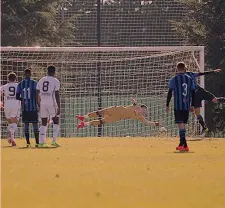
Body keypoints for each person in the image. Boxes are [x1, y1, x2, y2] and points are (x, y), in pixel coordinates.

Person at [76, 98, 165, 129]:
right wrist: (134, 102)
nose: (145, 112)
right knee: (100, 112)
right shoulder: (135, 106)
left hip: (118, 117)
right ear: (141, 108)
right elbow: (134, 103)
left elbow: (147, 122)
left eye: (145, 111)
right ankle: (83, 117)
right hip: (117, 109)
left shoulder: (140, 117)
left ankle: (84, 124)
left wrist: (157, 124)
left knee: (101, 121)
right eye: (144, 110)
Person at [185, 68, 225, 136]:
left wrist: (213, 71)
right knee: (197, 112)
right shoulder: (185, 76)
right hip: (197, 94)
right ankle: (204, 127)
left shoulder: (188, 75)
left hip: (199, 92)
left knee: (215, 100)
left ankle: (204, 127)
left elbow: (202, 73)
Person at [166, 62, 196, 152]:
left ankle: (183, 144)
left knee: (181, 124)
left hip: (178, 105)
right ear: (185, 68)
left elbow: (170, 92)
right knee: (182, 124)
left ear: (177, 69)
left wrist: (167, 104)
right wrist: (193, 104)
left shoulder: (174, 79)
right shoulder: (190, 79)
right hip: (186, 105)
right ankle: (183, 145)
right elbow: (193, 92)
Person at [36, 65, 60, 147]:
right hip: (51, 103)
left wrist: (38, 103)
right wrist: (59, 106)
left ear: (47, 71)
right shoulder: (55, 81)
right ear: (54, 72)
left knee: (43, 122)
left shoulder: (41, 80)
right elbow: (56, 94)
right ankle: (53, 141)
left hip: (43, 103)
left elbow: (37, 92)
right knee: (56, 120)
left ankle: (42, 143)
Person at [16, 69, 39, 147]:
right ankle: (37, 143)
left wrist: (23, 100)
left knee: (26, 124)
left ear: (24, 74)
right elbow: (37, 93)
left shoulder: (20, 84)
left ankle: (28, 143)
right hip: (33, 107)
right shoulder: (34, 83)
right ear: (31, 74)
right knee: (35, 124)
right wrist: (38, 103)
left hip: (25, 108)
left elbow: (17, 96)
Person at [0, 73, 20, 146]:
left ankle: (11, 137)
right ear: (15, 79)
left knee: (10, 122)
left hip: (7, 105)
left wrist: (0, 102)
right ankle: (11, 138)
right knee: (15, 121)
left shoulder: (4, 86)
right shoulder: (18, 85)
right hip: (15, 104)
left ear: (8, 79)